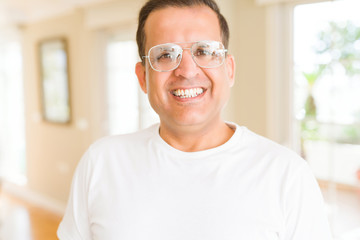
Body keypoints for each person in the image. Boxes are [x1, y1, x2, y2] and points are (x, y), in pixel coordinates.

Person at [57, 0, 332, 239]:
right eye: (165, 55)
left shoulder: (287, 174)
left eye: (204, 51)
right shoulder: (101, 162)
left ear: (229, 70)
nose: (187, 71)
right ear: (143, 77)